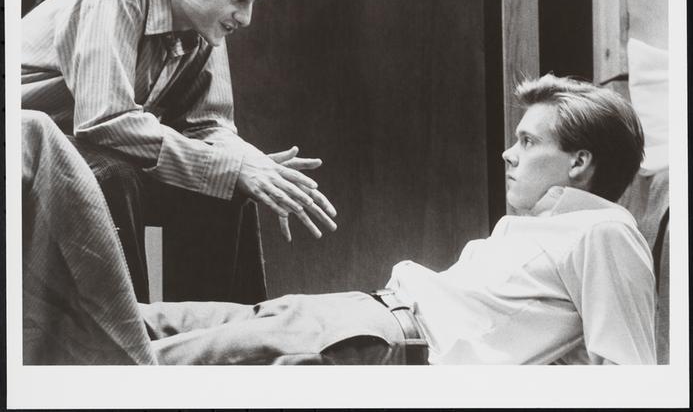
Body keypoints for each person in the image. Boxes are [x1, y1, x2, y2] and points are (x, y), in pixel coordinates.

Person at [20, 75, 656, 365]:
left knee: (139, 366)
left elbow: (626, 375)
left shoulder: (603, 231)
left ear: (580, 162)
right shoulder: (538, 227)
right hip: (355, 311)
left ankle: (33, 146)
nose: (508, 154)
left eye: (528, 142)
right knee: (130, 324)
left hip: (380, 335)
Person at [21, 0, 337, 304]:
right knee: (114, 172)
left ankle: (220, 331)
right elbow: (104, 121)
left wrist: (249, 164)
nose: (245, 17)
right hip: (25, 150)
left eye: (252, 0)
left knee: (226, 187)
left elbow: (210, 125)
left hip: (75, 148)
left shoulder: (203, 25)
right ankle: (131, 332)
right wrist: (229, 167)